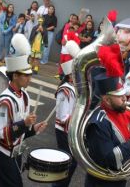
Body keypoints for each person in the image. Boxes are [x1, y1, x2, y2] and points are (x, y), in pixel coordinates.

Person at [0, 35, 47, 187]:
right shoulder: (6, 100)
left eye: (30, 75)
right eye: (26, 75)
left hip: (16, 150)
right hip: (4, 151)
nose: (29, 79)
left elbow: (21, 131)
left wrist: (34, 129)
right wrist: (24, 123)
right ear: (15, 76)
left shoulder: (25, 96)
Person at [85, 70, 130, 187]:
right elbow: (108, 160)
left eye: (124, 94)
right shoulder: (99, 123)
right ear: (107, 100)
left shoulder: (123, 111)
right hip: (102, 182)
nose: (125, 99)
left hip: (119, 178)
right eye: (119, 96)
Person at [53, 59, 78, 187]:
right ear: (70, 75)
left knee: (71, 164)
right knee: (67, 164)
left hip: (69, 130)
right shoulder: (65, 90)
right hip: (64, 131)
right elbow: (62, 118)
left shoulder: (74, 88)